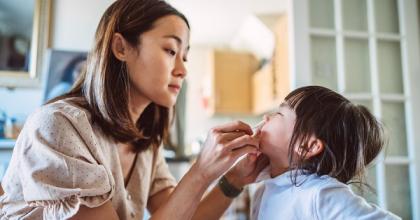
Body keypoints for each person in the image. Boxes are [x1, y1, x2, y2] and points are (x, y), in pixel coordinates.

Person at [0, 0, 268, 219]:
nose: (183, 70)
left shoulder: (146, 143)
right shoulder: (58, 126)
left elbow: (184, 214)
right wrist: (200, 172)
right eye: (171, 50)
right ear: (120, 47)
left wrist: (234, 179)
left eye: (184, 56)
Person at [250, 85, 400, 220]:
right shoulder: (262, 191)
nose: (266, 117)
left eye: (279, 114)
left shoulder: (319, 194)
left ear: (308, 146)